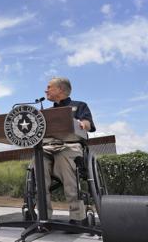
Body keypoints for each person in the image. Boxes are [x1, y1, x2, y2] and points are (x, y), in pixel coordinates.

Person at [42, 77, 96, 225]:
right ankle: (43, 216)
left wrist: (82, 124)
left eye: (49, 87)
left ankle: (78, 216)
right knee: (37, 161)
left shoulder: (79, 106)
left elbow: (88, 124)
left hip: (70, 145)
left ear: (60, 89)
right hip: (48, 147)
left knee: (63, 157)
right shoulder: (46, 112)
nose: (46, 90)